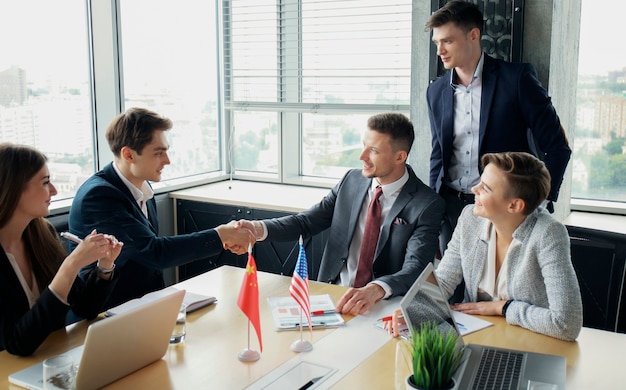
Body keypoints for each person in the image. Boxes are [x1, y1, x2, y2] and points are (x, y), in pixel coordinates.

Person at [236, 113, 445, 315]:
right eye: (364, 145)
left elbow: (416, 267)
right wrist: (258, 229)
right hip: (331, 295)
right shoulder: (350, 181)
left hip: (382, 305)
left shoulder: (427, 204)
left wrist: (376, 289)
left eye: (373, 150)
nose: (362, 156)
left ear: (400, 156)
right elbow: (306, 222)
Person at [69, 107, 255, 309]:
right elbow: (154, 252)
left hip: (143, 309)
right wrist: (221, 236)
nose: (167, 161)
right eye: (159, 153)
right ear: (129, 155)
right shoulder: (99, 196)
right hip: (105, 317)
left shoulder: (142, 185)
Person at [426, 0, 572, 257]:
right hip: (451, 210)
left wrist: (540, 202)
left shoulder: (517, 79)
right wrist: (435, 214)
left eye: (447, 41)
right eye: (437, 43)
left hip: (508, 209)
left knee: (505, 289)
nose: (440, 50)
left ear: (473, 35)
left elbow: (557, 147)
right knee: (455, 291)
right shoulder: (435, 91)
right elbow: (438, 155)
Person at [389, 152, 582, 341]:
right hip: (474, 335)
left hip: (528, 340)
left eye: (485, 188)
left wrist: (504, 308)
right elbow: (445, 280)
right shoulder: (470, 218)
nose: (474, 189)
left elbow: (566, 324)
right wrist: (415, 308)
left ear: (514, 205)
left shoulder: (548, 233)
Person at [0, 143, 124, 356]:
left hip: (52, 359)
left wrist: (104, 266)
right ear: (13, 188)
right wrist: (72, 263)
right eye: (45, 182)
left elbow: (85, 307)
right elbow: (17, 343)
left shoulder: (41, 234)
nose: (54, 191)